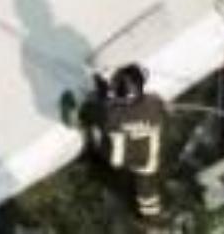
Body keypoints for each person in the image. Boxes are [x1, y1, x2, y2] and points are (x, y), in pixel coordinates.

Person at [66, 65, 167, 222]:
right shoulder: (154, 105)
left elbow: (92, 112)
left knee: (90, 118)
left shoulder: (111, 114)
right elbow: (159, 108)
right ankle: (151, 217)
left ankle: (85, 140)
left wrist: (89, 107)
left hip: (116, 157)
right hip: (146, 161)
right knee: (146, 189)